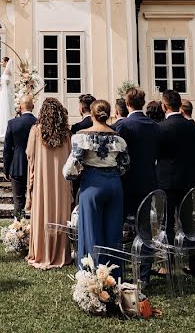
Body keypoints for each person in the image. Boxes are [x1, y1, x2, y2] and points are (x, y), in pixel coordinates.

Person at [64, 99, 128, 269]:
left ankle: (91, 275)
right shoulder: (118, 138)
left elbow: (72, 165)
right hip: (114, 184)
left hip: (92, 183)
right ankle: (113, 275)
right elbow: (125, 166)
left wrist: (71, 175)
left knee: (91, 230)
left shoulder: (82, 136)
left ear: (92, 114)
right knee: (113, 231)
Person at [156, 90, 195, 275]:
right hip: (187, 179)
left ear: (164, 106)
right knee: (189, 223)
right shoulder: (192, 126)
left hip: (167, 181)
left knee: (167, 223)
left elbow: (157, 153)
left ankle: (168, 263)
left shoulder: (161, 128)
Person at [25, 97, 73, 269]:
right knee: (60, 213)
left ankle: (42, 252)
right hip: (61, 181)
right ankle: (60, 253)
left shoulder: (36, 131)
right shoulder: (66, 134)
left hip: (42, 181)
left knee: (42, 211)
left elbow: (29, 154)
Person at [112, 88, 161, 220]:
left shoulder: (124, 125)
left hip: (127, 181)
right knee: (144, 221)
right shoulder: (155, 125)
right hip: (149, 179)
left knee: (123, 221)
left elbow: (118, 153)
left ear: (127, 103)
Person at [3, 95, 36, 218]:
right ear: (32, 106)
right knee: (36, 200)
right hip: (35, 166)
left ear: (20, 107)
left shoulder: (12, 123)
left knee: (18, 201)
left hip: (17, 166)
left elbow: (7, 149)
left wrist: (6, 169)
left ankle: (18, 227)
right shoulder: (39, 122)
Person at [0, 57, 15, 139]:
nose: (1, 63)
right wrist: (0, 84)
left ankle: (5, 130)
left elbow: (7, 83)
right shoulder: (5, 71)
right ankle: (3, 129)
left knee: (5, 109)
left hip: (5, 93)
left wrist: (1, 83)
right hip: (3, 92)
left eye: (2, 62)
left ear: (6, 62)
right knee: (3, 110)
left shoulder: (7, 71)